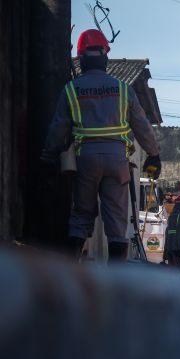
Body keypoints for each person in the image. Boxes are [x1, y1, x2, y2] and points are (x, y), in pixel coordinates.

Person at [41, 29, 161, 261]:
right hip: (117, 161)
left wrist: (47, 157)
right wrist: (154, 154)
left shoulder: (71, 90)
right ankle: (115, 283)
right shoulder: (123, 89)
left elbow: (58, 128)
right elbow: (142, 126)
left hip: (85, 160)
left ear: (81, 58)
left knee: (81, 216)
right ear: (105, 57)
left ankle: (70, 272)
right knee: (117, 222)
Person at [163, 194, 180, 267]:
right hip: (179, 250)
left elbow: (167, 233)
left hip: (169, 247)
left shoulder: (171, 216)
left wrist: (165, 252)